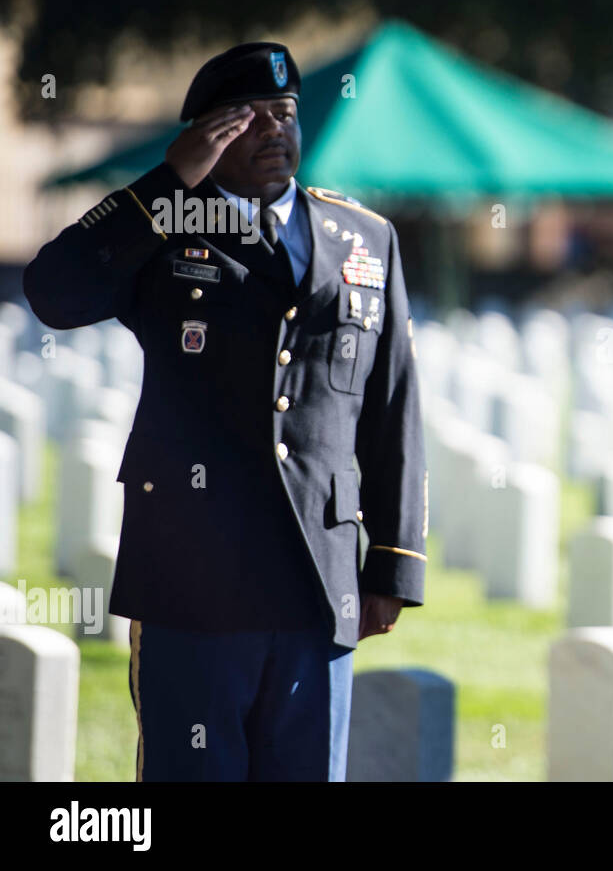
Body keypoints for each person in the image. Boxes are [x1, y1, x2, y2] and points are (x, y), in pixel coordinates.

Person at [23, 42, 428, 781]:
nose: (276, 131)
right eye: (250, 120)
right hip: (192, 574)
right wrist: (168, 181)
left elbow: (392, 403)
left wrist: (394, 566)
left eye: (287, 116)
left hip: (319, 578)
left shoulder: (364, 238)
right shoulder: (165, 223)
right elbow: (55, 291)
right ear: (207, 136)